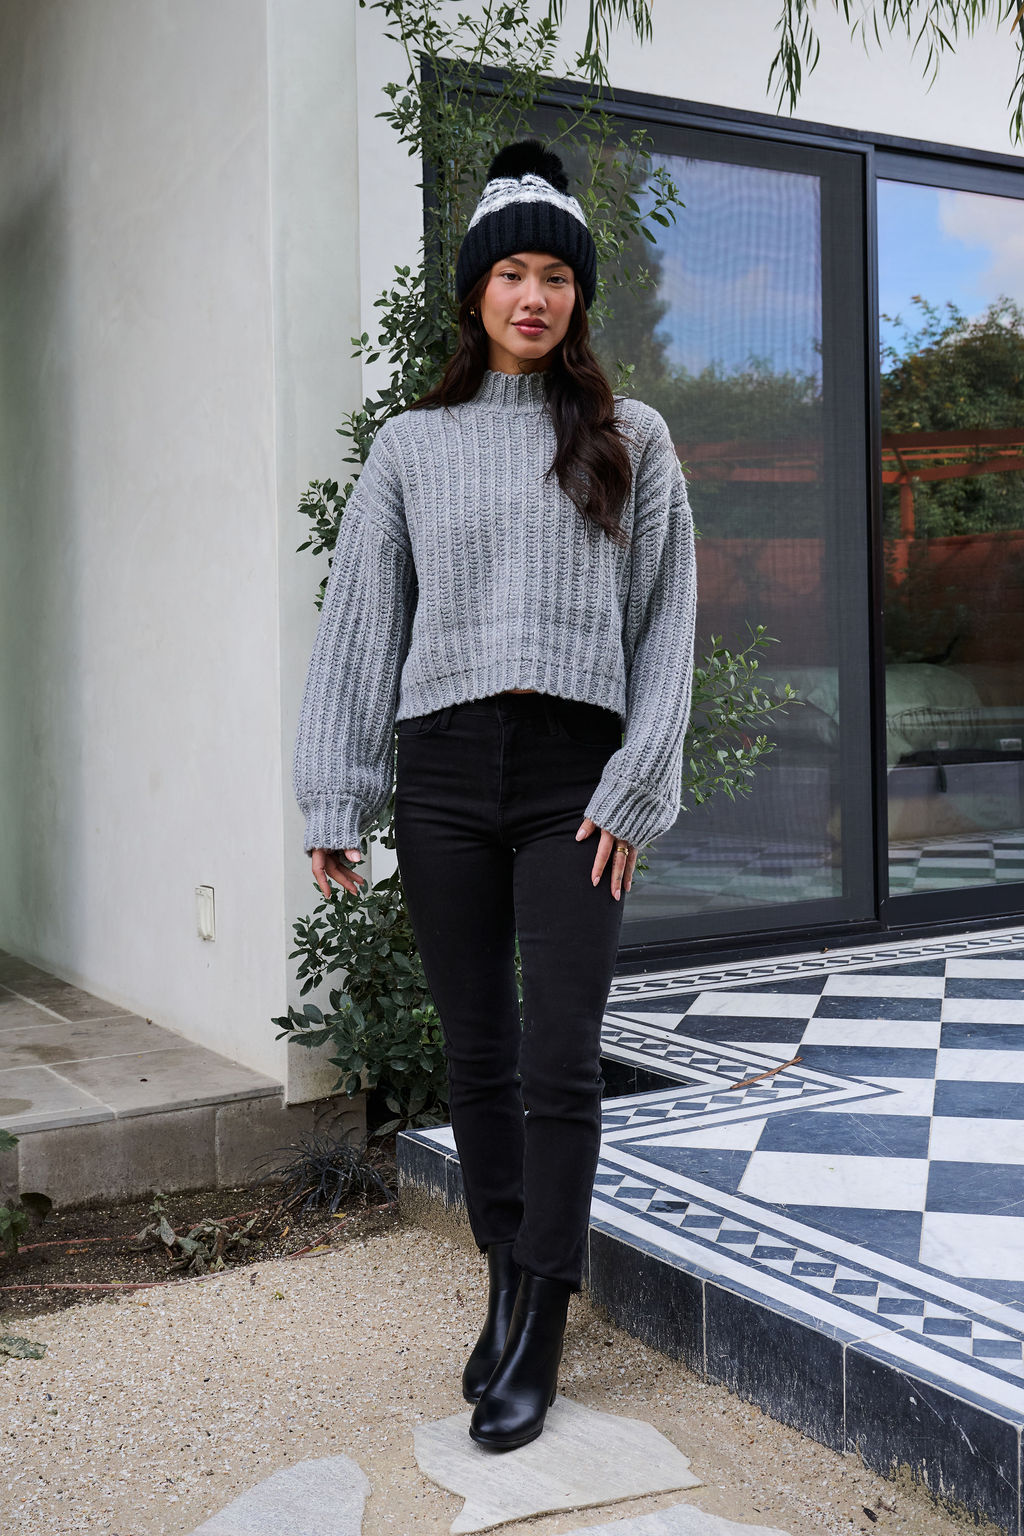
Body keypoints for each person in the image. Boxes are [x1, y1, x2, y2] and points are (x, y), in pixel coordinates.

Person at [292, 137, 697, 1451]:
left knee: (559, 1057)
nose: (534, 296)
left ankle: (544, 1320)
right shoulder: (414, 446)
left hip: (575, 784)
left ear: (579, 295)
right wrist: (336, 796)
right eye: (510, 273)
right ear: (476, 292)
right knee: (476, 1056)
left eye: (555, 276)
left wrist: (635, 788)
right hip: (449, 777)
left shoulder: (631, 438)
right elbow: (361, 623)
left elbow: (664, 628)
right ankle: (506, 1278)